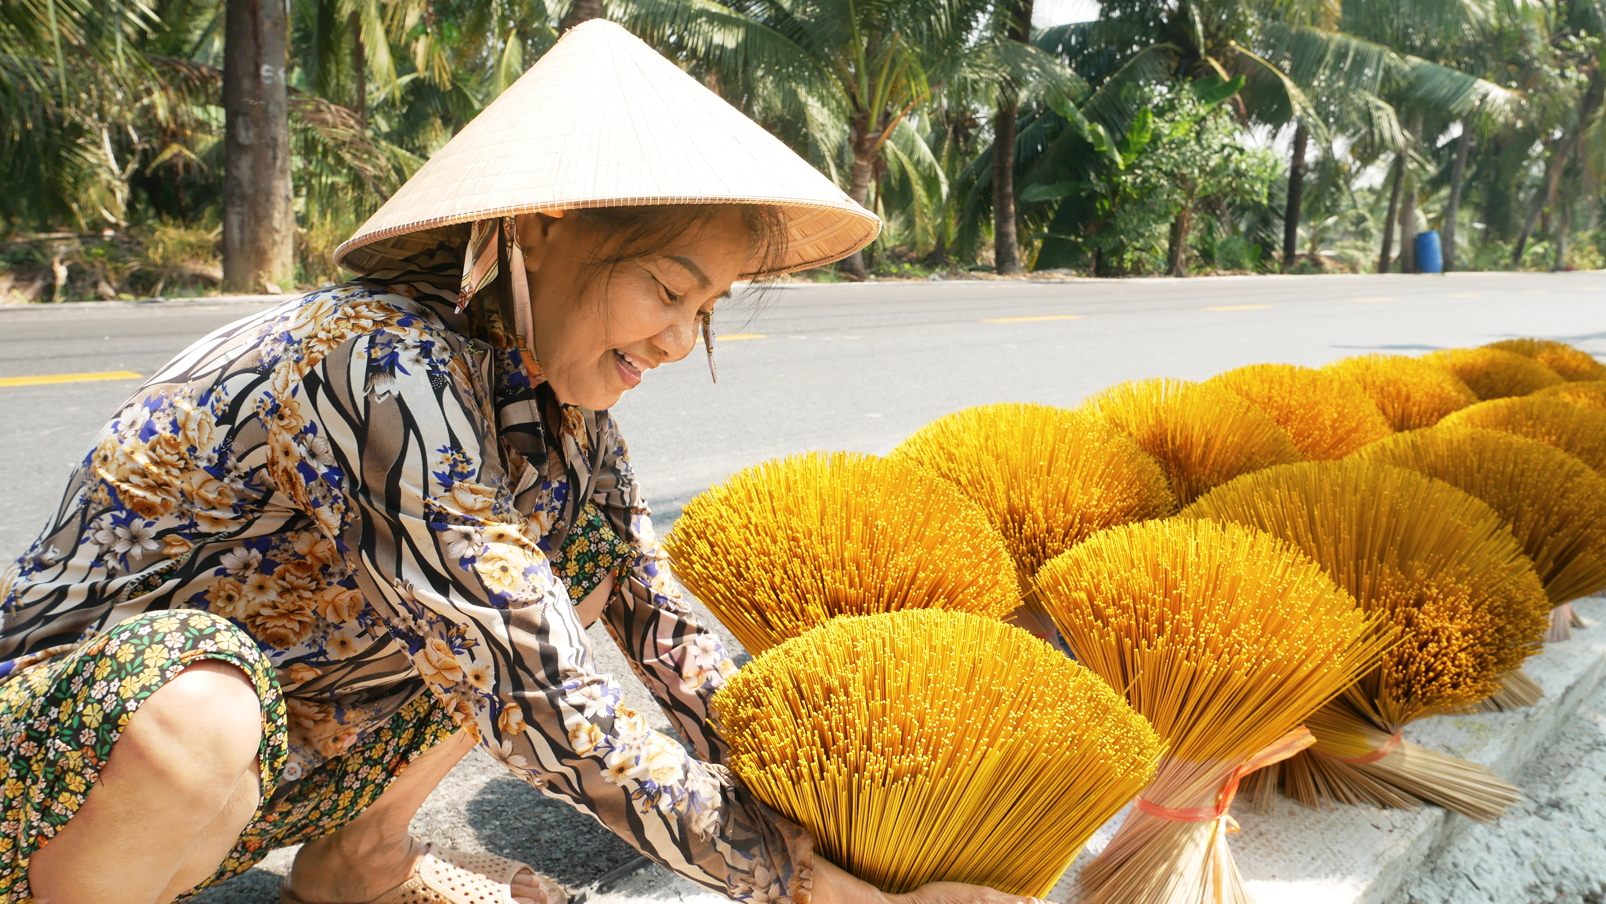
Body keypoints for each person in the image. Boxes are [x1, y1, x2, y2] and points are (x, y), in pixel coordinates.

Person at [0, 20, 1044, 904]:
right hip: (62, 770)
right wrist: (794, 883)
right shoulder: (372, 365)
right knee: (199, 704)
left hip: (250, 779)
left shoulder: (554, 409)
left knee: (580, 550)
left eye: (706, 309)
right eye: (667, 290)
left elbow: (663, 631)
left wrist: (841, 818)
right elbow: (533, 685)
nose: (681, 340)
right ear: (540, 231)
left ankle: (358, 859)